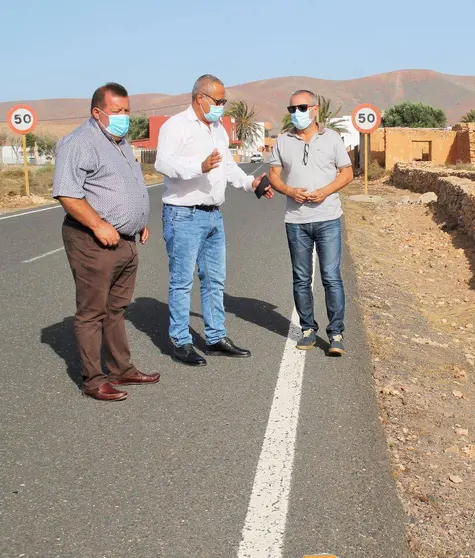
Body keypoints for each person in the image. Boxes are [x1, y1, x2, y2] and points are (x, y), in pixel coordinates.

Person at [53, 82, 159, 402]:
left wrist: (138, 222)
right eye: (117, 111)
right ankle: (94, 379)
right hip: (92, 240)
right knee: (92, 312)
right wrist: (99, 224)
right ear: (97, 112)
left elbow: (124, 187)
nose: (124, 117)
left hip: (126, 241)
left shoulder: (121, 142)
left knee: (117, 309)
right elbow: (68, 193)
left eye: (127, 111)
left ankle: (121, 368)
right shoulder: (79, 143)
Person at [155, 74, 267, 366]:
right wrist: (198, 166)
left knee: (215, 280)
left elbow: (227, 167)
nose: (221, 107)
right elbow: (161, 162)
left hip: (213, 215)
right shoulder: (176, 126)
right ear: (200, 98)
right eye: (218, 101)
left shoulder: (217, 129)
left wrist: (250, 184)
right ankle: (180, 342)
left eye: (224, 102)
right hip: (183, 214)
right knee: (182, 282)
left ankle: (216, 337)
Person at [267, 89, 353, 355]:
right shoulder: (282, 140)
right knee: (301, 277)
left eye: (302, 108)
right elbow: (273, 175)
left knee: (331, 277)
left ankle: (336, 333)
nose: (296, 114)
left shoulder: (333, 139)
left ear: (314, 109)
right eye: (292, 109)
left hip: (328, 218)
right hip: (296, 220)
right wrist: (290, 191)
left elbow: (347, 173)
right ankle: (307, 330)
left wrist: (325, 191)